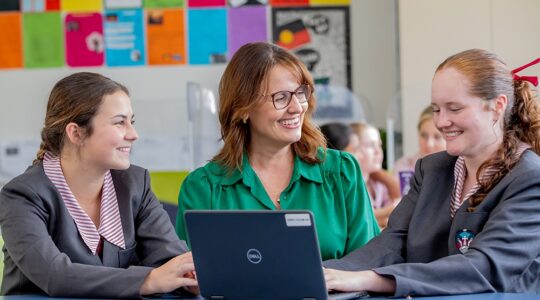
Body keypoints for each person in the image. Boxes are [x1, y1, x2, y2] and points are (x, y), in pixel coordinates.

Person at [323, 49, 540, 297]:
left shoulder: (529, 177)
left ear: (497, 106)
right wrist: (326, 273)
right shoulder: (432, 169)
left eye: (455, 109)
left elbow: (485, 266)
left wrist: (374, 280)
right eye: (436, 109)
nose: (441, 122)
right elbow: (393, 242)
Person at [0, 72, 197, 297]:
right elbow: (54, 275)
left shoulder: (135, 184)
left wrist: (190, 278)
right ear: (76, 133)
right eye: (119, 122)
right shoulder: (22, 195)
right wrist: (148, 280)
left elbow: (171, 259)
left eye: (131, 122)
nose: (134, 134)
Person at [176, 42, 379, 260]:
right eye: (281, 97)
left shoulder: (341, 172)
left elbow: (369, 263)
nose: (297, 107)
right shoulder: (203, 188)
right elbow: (190, 278)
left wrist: (329, 279)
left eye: (300, 93)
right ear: (243, 108)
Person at [349, 122, 400, 228]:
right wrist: (389, 210)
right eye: (370, 145)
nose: (378, 151)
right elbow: (358, 219)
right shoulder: (349, 185)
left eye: (379, 145)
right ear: (353, 149)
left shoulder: (378, 184)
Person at [393, 106, 446, 195]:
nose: (429, 144)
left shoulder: (460, 169)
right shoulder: (404, 166)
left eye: (437, 137)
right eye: (424, 136)